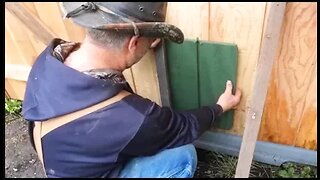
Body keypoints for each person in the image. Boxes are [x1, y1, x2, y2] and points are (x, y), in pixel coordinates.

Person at [22, 2, 241, 178]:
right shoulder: (131, 117)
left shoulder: (49, 60)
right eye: (148, 41)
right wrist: (220, 107)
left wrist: (143, 41)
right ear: (133, 43)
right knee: (182, 156)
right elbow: (182, 127)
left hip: (64, 163)